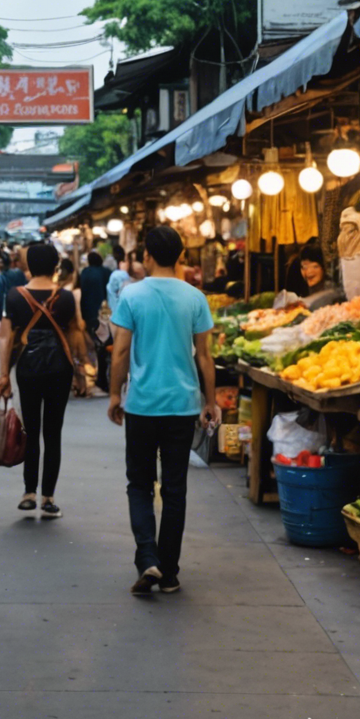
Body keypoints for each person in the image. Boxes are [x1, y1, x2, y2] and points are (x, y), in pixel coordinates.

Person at [107, 223, 218, 596]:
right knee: (174, 488)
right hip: (182, 406)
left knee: (139, 484)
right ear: (180, 256)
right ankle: (168, 571)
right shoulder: (195, 297)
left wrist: (113, 395)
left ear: (147, 256)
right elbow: (204, 356)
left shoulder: (132, 295)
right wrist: (210, 401)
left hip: (141, 405)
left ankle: (148, 558)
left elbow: (120, 351)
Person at [0, 240, 87, 518]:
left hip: (28, 369)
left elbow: (5, 338)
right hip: (60, 369)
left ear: (28, 265)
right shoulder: (67, 297)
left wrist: (3, 375)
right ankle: (48, 497)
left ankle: (28, 493)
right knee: (53, 433)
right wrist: (81, 373)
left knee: (31, 430)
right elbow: (76, 334)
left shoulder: (14, 296)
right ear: (56, 266)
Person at [78, 252, 112, 395]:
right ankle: (104, 378)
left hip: (90, 314)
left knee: (96, 345)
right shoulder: (107, 272)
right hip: (106, 314)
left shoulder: (85, 273)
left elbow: (82, 294)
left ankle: (100, 378)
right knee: (105, 345)